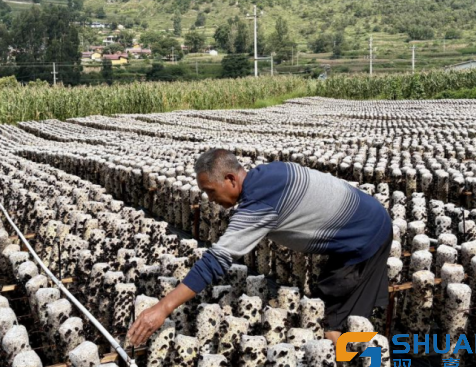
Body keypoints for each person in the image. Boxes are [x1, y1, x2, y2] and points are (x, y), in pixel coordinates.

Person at [127, 148, 392, 346]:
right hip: (363, 222)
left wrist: (163, 308)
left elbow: (216, 261)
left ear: (231, 179)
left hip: (364, 236)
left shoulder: (260, 203)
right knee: (337, 306)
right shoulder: (267, 174)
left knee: (337, 324)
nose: (210, 199)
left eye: (210, 191)